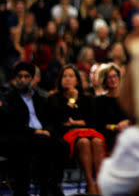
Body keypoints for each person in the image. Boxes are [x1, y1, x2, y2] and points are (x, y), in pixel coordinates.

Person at [3, 61, 68, 196]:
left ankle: (53, 184)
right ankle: (37, 187)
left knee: (63, 145)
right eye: (19, 77)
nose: (23, 80)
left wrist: (48, 130)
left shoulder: (39, 97)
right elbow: (12, 124)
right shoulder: (10, 97)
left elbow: (49, 119)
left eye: (26, 77)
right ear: (15, 78)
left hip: (42, 134)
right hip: (23, 135)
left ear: (32, 78)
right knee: (38, 144)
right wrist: (35, 131)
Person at [47, 64, 105, 195]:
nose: (67, 79)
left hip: (88, 133)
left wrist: (75, 122)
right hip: (65, 136)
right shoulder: (54, 98)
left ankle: (101, 184)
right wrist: (72, 100)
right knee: (84, 142)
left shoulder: (87, 97)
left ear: (77, 80)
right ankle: (90, 184)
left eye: (71, 76)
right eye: (64, 76)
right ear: (60, 80)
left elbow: (93, 121)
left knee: (97, 141)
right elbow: (60, 120)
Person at [94, 63, 129, 152]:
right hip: (109, 133)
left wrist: (127, 121)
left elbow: (135, 116)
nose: (113, 80)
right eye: (109, 77)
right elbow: (98, 123)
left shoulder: (127, 97)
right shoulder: (99, 100)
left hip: (127, 130)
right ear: (104, 80)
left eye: (115, 76)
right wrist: (115, 127)